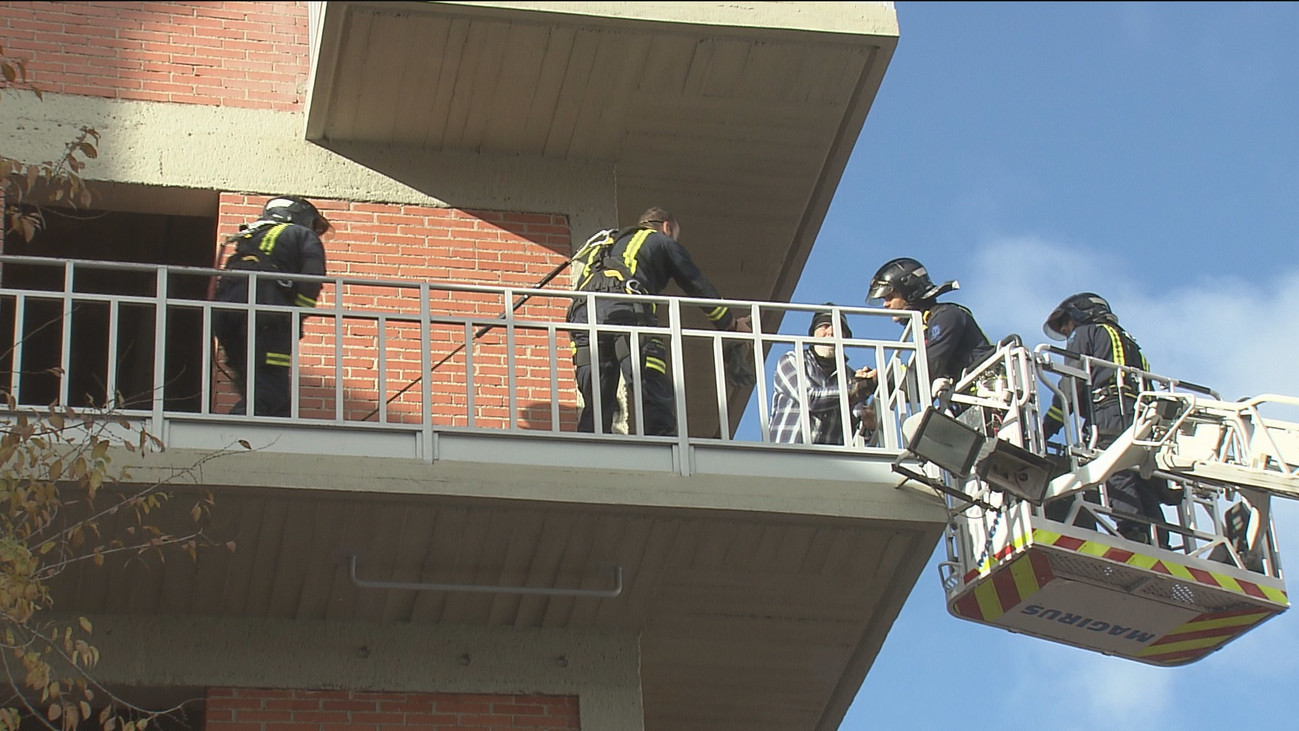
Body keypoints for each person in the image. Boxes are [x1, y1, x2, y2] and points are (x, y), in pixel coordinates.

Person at [568, 207, 751, 436]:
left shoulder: (608, 244)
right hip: (625, 309)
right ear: (667, 227)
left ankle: (590, 447)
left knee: (596, 404)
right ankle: (662, 444)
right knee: (649, 383)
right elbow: (697, 285)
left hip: (582, 318)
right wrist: (732, 325)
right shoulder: (660, 241)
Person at [1040, 292, 1171, 544]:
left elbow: (1072, 383)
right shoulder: (1129, 342)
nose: (1066, 331)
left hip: (1109, 411)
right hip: (1140, 414)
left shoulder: (1083, 333)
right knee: (1141, 474)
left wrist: (1049, 426)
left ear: (1080, 313)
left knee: (1114, 467)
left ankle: (1132, 530)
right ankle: (1159, 539)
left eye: (1066, 323)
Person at [212, 196, 329, 417]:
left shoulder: (250, 236)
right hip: (266, 313)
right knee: (271, 391)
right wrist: (295, 316)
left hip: (226, 314)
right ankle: (234, 431)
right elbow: (311, 280)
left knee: (255, 387)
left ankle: (262, 427)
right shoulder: (303, 235)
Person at [862, 257, 994, 387]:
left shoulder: (946, 316)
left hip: (988, 388)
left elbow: (927, 371)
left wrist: (884, 380)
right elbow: (918, 381)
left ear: (909, 292)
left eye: (890, 297)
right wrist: (875, 381)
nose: (885, 305)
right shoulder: (926, 325)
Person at [768, 306, 874, 445]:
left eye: (838, 328)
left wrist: (869, 425)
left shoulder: (850, 377)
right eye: (824, 326)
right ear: (813, 334)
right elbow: (809, 398)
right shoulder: (792, 360)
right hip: (787, 453)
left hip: (829, 457)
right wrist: (855, 390)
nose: (831, 332)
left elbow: (860, 429)